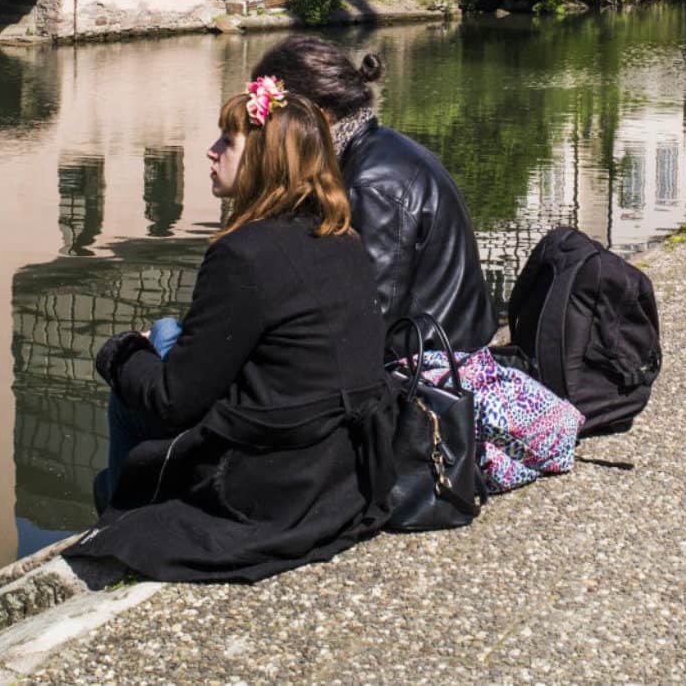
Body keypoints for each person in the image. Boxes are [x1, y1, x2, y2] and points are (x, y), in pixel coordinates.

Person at [80, 76, 396, 582]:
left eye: (227, 142)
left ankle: (123, 514)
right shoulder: (342, 237)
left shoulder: (242, 254)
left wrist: (118, 353)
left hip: (270, 486)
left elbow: (172, 401)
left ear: (264, 160)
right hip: (340, 471)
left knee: (131, 389)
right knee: (167, 333)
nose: (210, 152)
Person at [250, 36, 494, 353]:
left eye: (271, 125)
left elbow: (371, 317)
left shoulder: (372, 185)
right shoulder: (370, 152)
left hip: (426, 367)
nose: (264, 140)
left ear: (318, 117)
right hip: (432, 347)